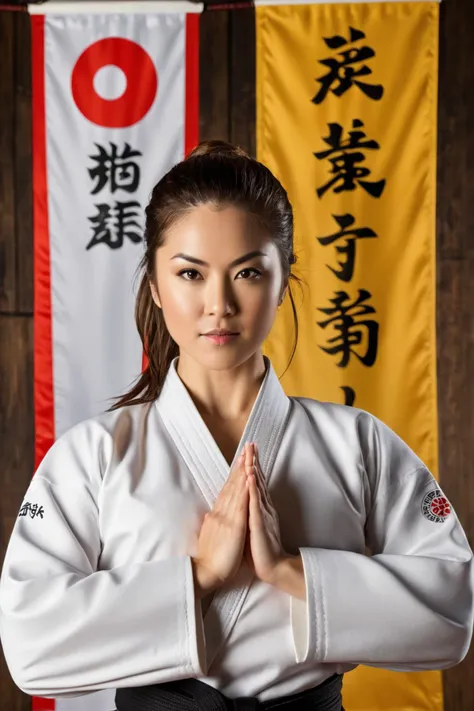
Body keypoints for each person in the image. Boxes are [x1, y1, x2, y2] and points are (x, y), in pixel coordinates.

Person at [0, 141, 472, 711]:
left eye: (247, 271)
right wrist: (197, 577)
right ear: (154, 283)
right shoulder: (92, 455)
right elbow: (30, 647)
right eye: (190, 274)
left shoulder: (360, 444)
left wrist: (292, 571)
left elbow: (451, 612)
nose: (218, 304)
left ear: (284, 279)